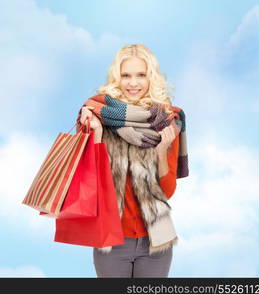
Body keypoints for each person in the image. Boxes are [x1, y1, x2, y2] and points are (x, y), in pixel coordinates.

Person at [77, 44, 188, 278]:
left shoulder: (166, 121)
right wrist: (95, 135)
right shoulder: (96, 116)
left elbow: (166, 192)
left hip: (156, 242)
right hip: (112, 242)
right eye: (126, 75)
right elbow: (89, 184)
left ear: (151, 78)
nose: (133, 83)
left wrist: (161, 151)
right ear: (117, 79)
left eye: (141, 75)